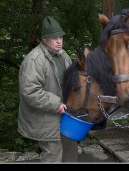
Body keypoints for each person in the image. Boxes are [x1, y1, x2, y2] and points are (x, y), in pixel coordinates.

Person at [17, 16, 78, 162]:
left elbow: (71, 81)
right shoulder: (35, 60)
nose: (59, 41)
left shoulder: (63, 55)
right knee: (53, 154)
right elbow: (30, 91)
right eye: (54, 38)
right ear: (44, 39)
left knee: (71, 149)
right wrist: (56, 104)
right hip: (45, 120)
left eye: (61, 37)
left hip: (65, 117)